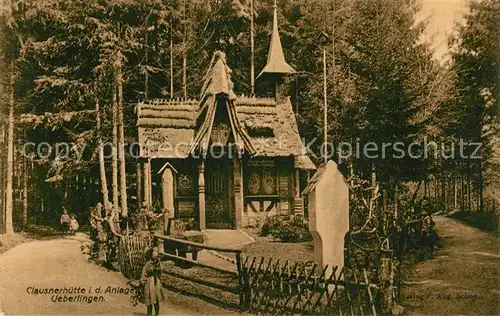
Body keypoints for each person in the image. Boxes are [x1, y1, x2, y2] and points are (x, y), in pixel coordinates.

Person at [140, 246, 167, 316]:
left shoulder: (158, 262)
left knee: (156, 299)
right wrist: (142, 282)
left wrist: (161, 279)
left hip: (156, 282)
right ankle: (149, 314)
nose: (156, 253)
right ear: (151, 253)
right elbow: (144, 273)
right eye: (154, 251)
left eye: (157, 251)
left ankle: (156, 314)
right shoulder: (148, 263)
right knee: (148, 299)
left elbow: (161, 271)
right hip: (149, 282)